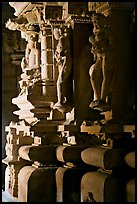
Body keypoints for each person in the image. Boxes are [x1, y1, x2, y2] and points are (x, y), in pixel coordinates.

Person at [89, 13, 115, 112]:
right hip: (99, 57)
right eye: (94, 22)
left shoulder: (107, 32)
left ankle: (103, 98)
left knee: (106, 76)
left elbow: (113, 46)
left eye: (97, 21)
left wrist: (103, 48)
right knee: (94, 75)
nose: (95, 24)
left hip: (107, 56)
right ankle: (97, 97)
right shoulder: (95, 33)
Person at [53, 27, 73, 112]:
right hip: (63, 62)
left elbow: (61, 53)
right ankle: (62, 99)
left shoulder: (62, 39)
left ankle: (60, 101)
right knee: (62, 82)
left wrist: (58, 56)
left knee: (60, 82)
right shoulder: (62, 39)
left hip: (65, 62)